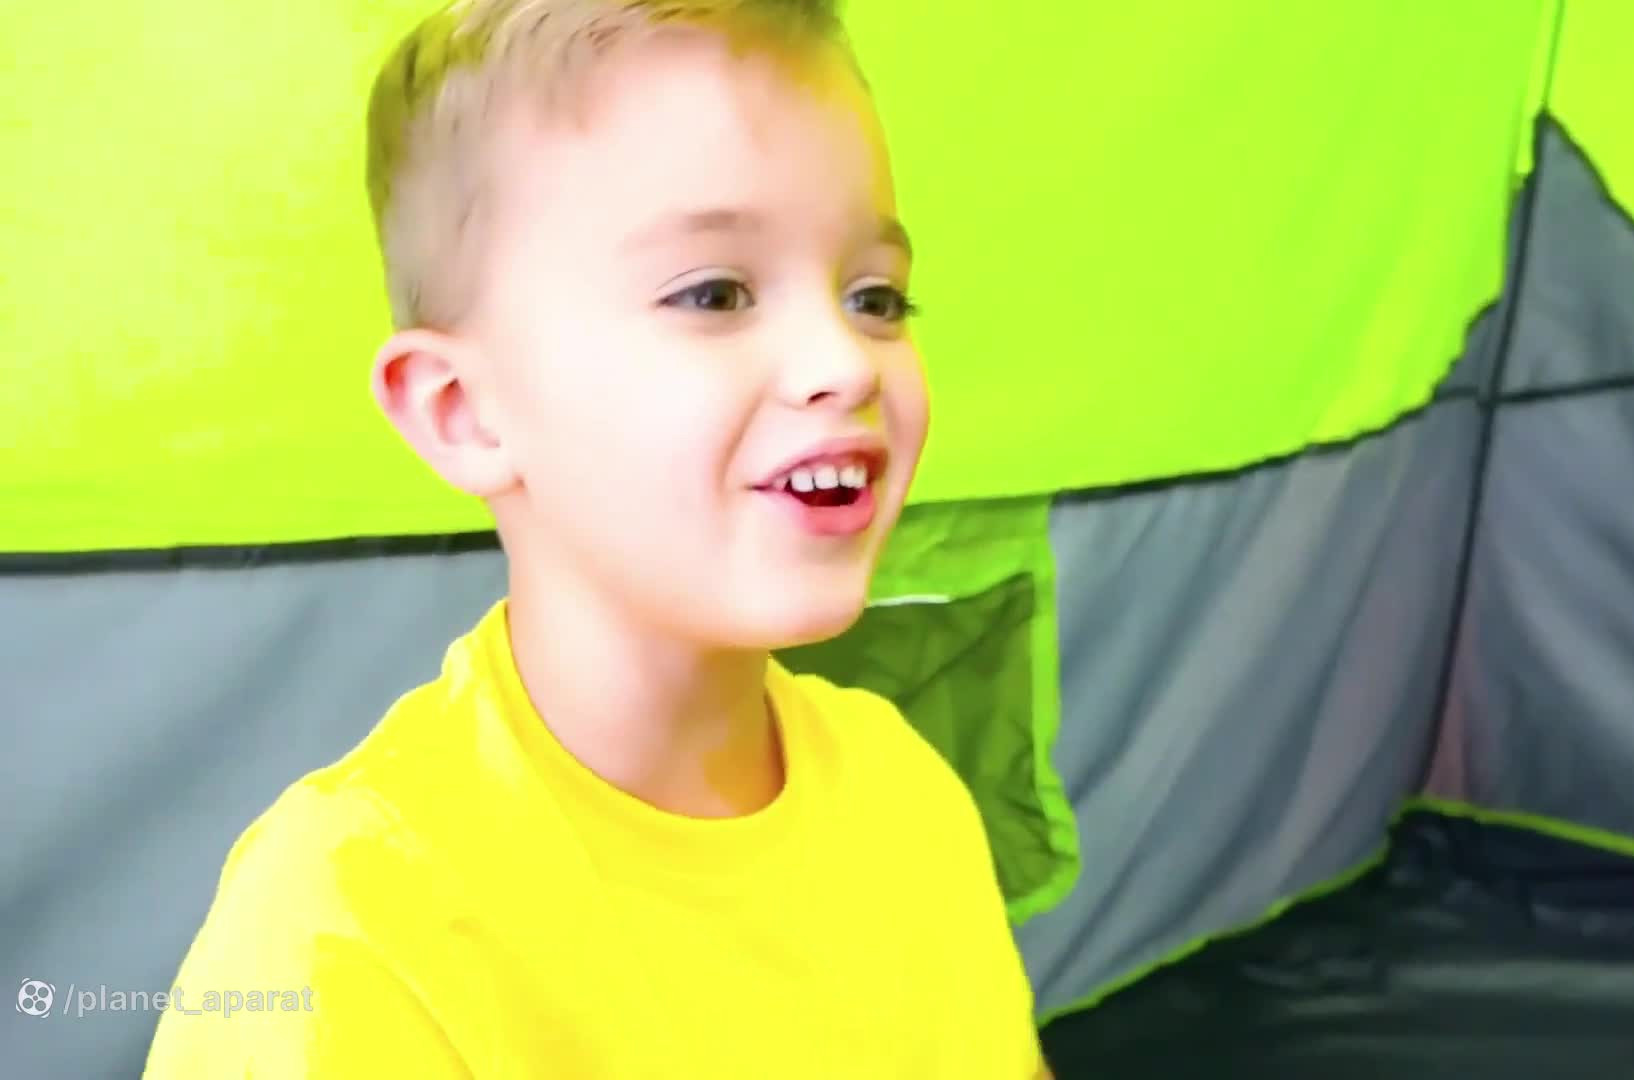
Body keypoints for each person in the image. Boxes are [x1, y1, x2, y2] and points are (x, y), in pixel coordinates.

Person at [143, 1, 1051, 1075]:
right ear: (464, 413)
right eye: (715, 292)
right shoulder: (349, 928)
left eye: (877, 298)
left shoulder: (907, 795)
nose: (846, 363)